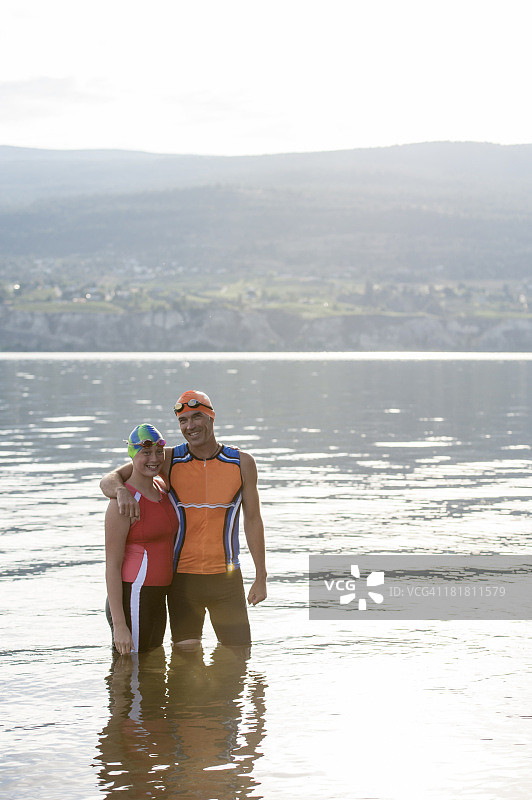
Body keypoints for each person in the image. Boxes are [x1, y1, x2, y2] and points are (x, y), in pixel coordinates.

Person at [100, 390, 267, 650]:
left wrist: (261, 575)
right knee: (185, 663)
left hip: (227, 578)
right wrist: (121, 492)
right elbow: (112, 478)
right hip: (183, 582)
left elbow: (253, 520)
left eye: (197, 417)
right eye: (183, 421)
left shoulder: (241, 462)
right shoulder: (168, 458)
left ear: (211, 418)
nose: (190, 426)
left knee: (239, 658)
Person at [105, 424, 177, 655]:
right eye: (146, 453)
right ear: (133, 455)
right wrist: (120, 626)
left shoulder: (162, 488)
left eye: (158, 452)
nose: (154, 459)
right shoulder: (122, 501)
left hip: (158, 596)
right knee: (129, 668)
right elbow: (112, 566)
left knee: (152, 668)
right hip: (134, 595)